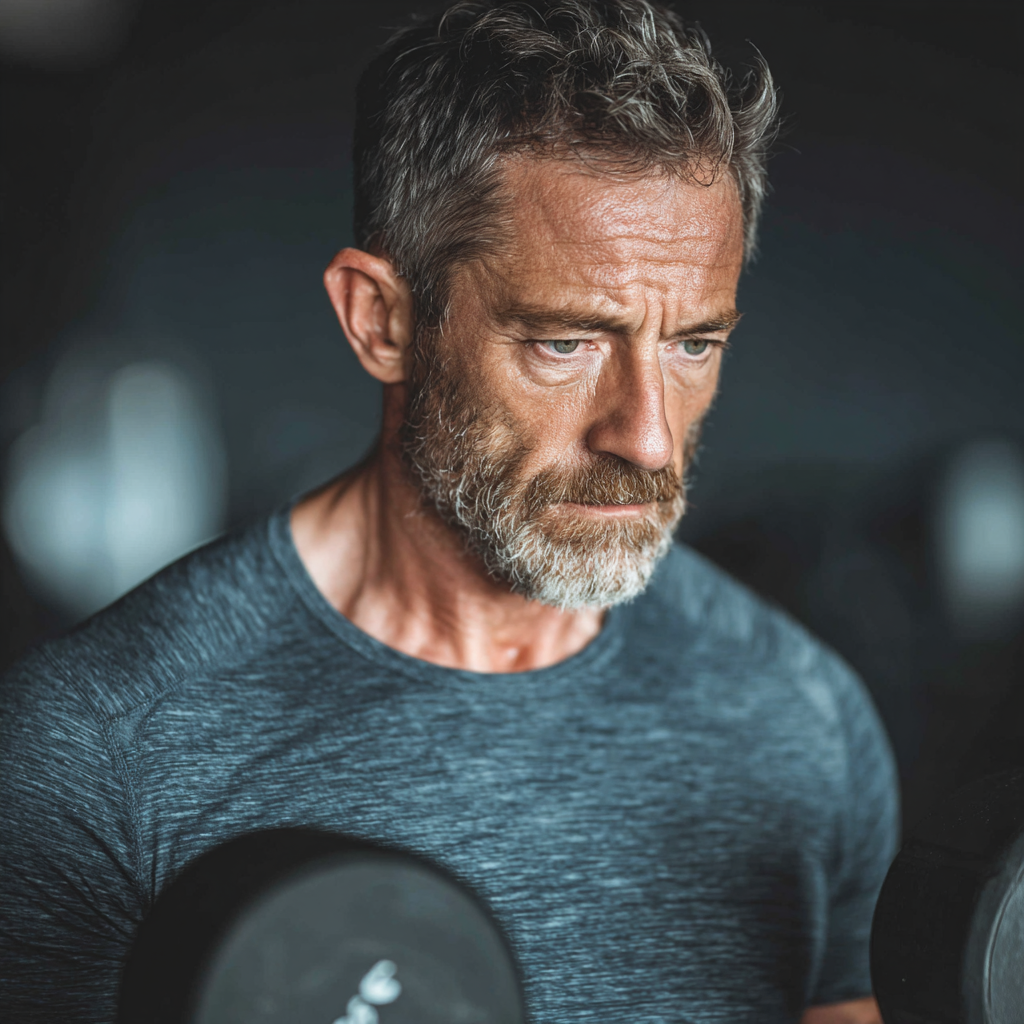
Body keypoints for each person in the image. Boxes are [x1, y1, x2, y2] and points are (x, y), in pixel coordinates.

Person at [0, 1, 898, 1021]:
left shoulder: (802, 719)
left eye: (694, 343)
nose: (646, 438)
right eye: (565, 343)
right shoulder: (96, 751)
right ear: (382, 320)